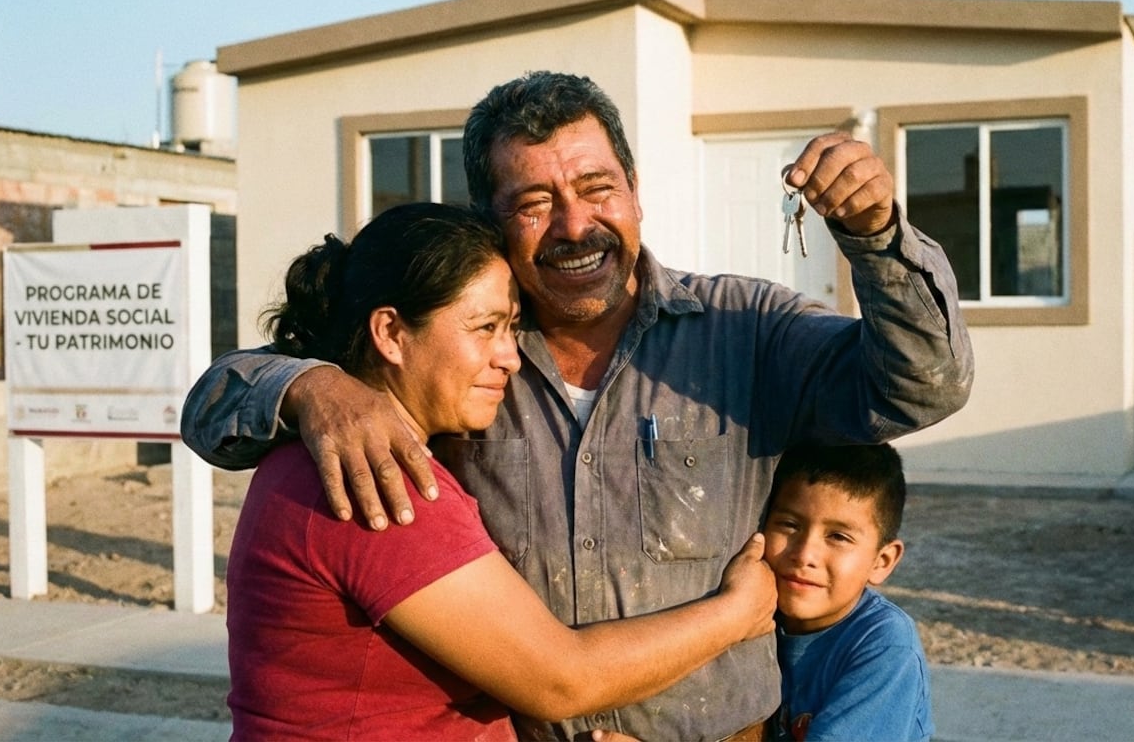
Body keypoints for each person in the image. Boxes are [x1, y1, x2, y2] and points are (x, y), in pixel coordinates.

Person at [184, 71, 973, 741]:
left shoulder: (748, 330)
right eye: (533, 202)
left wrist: (877, 235)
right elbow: (209, 414)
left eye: (597, 188)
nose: (574, 224)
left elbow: (921, 386)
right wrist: (306, 385)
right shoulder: (464, 358)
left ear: (634, 191)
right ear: (489, 221)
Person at [225, 202, 776, 740]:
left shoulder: (325, 454)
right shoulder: (373, 478)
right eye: (484, 327)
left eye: (511, 327)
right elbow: (562, 680)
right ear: (391, 333)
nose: (509, 357)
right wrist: (737, 612)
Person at [761, 443, 932, 742]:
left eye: (838, 536)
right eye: (789, 525)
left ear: (882, 562)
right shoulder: (753, 613)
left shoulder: (885, 645)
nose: (804, 555)